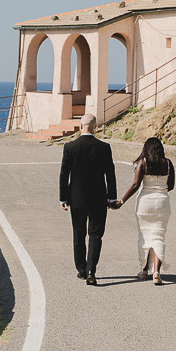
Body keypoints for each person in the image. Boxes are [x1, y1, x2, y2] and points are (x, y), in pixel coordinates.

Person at [59, 113, 119, 286]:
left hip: (76, 198)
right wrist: (112, 197)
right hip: (99, 198)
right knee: (96, 235)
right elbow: (110, 174)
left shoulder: (70, 147)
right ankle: (92, 270)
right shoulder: (104, 147)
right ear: (95, 128)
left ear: (80, 126)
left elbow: (64, 174)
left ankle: (82, 269)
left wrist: (63, 197)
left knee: (78, 234)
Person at [117, 137, 175, 285]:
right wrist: (160, 190)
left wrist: (121, 201)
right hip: (163, 201)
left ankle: (144, 270)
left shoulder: (142, 162)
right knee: (158, 236)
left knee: (144, 235)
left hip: (145, 203)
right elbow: (171, 185)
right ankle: (156, 272)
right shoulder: (168, 164)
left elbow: (136, 184)